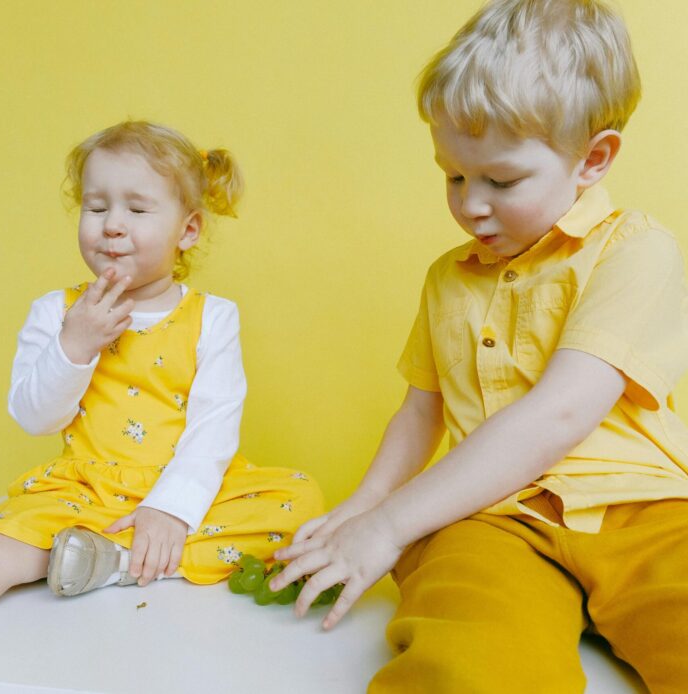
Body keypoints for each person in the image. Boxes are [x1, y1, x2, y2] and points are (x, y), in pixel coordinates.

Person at [270, 1, 688, 691]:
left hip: (644, 513)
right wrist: (365, 509)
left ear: (594, 159)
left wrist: (390, 524)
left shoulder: (638, 249)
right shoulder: (447, 279)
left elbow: (561, 412)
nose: (471, 204)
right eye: (454, 176)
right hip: (492, 520)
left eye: (501, 180)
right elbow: (420, 412)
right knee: (469, 664)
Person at [0, 120, 323, 603]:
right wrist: (75, 345)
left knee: (301, 503)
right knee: (0, 551)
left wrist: (171, 509)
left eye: (138, 209)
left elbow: (214, 427)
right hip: (84, 490)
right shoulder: (57, 311)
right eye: (96, 207)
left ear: (187, 230)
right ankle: (85, 550)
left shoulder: (213, 317)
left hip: (189, 486)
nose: (112, 224)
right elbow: (34, 417)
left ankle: (117, 561)